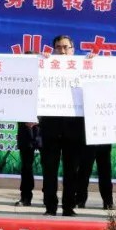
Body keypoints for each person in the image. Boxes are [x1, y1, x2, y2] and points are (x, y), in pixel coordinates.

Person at [38, 36, 86, 216]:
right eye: (58, 47)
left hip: (74, 128)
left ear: (73, 50)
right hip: (50, 126)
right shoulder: (45, 66)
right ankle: (50, 206)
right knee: (49, 169)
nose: (62, 51)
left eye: (66, 47)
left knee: (71, 171)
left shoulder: (83, 67)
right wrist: (40, 62)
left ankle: (68, 206)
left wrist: (93, 63)